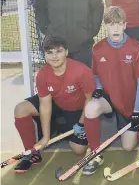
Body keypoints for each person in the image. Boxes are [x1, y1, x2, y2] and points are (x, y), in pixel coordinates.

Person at [82, 6, 139, 175]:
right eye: (112, 24)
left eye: (119, 24)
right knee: (91, 107)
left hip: (130, 102)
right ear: (106, 26)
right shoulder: (98, 49)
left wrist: (136, 112)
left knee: (128, 147)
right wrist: (98, 88)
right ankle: (95, 153)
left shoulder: (136, 48)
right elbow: (96, 73)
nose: (116, 28)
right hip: (109, 99)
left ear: (125, 25)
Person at [13, 36, 94, 173]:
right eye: (49, 52)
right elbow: (45, 105)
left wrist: (80, 124)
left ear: (66, 52)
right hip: (55, 103)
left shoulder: (82, 71)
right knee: (21, 109)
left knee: (79, 150)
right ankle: (32, 154)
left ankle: (60, 127)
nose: (54, 56)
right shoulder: (43, 74)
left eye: (59, 51)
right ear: (44, 55)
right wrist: (45, 137)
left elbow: (89, 100)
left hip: (75, 109)